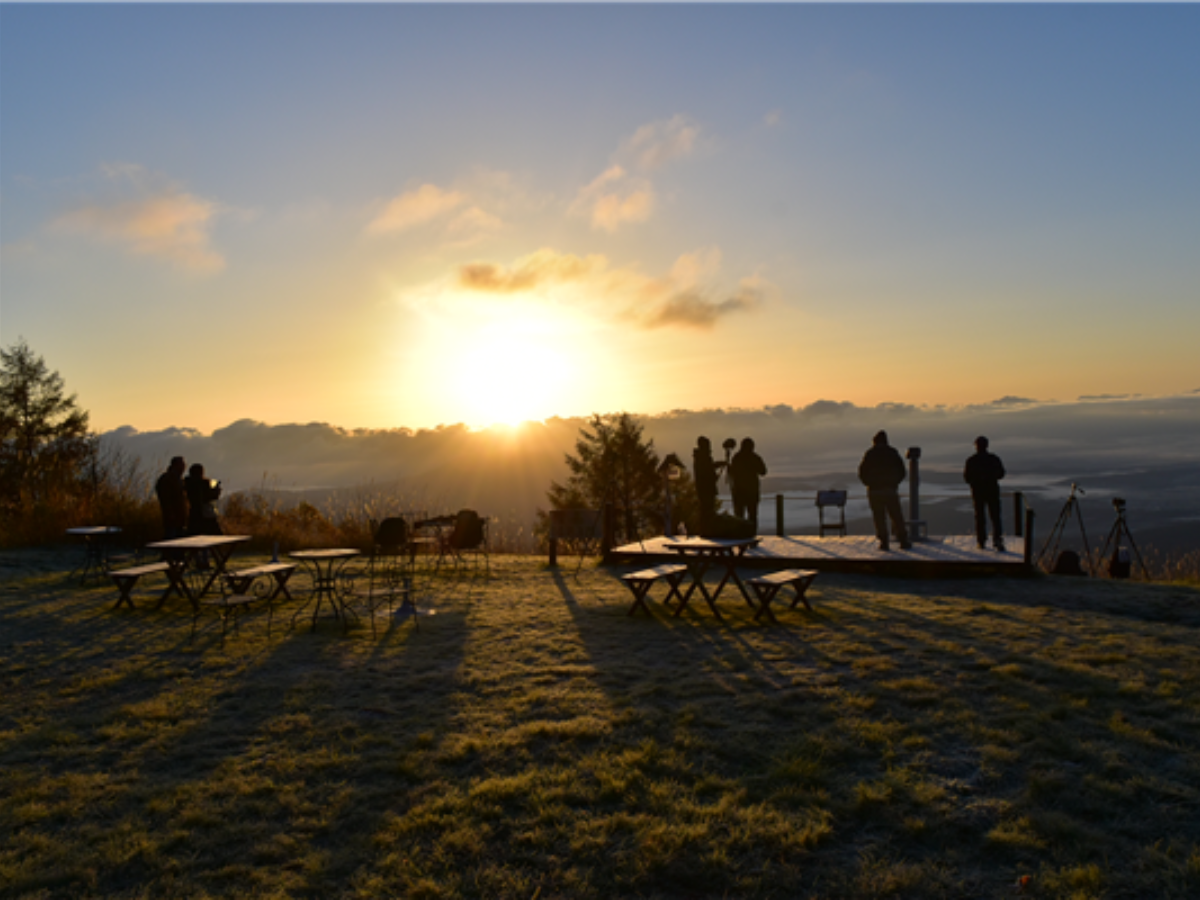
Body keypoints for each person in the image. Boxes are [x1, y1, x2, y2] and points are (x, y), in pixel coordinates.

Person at [857, 430, 911, 551]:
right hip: (890, 490)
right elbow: (902, 471)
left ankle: (884, 542)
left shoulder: (870, 454)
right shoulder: (892, 453)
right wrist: (894, 483)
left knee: (879, 517)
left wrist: (870, 484)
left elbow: (862, 471)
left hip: (875, 491)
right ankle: (903, 540)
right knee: (896, 515)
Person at [964, 435, 1006, 551]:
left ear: (976, 446)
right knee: (995, 517)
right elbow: (1001, 474)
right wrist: (990, 478)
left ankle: (981, 541)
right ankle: (997, 540)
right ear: (987, 445)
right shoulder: (994, 459)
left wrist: (977, 481)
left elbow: (967, 478)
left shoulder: (971, 461)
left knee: (980, 517)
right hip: (992, 491)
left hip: (978, 493)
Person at [728, 437, 767, 533]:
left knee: (739, 515)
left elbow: (731, 473)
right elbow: (763, 471)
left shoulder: (736, 457)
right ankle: (751, 534)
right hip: (752, 491)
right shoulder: (755, 457)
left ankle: (739, 534)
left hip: (739, 491)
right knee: (752, 515)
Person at [692, 436, 726, 535]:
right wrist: (719, 465)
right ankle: (707, 531)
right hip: (706, 489)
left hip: (704, 489)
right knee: (707, 511)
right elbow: (708, 470)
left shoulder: (700, 457)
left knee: (705, 511)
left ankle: (705, 530)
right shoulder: (704, 457)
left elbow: (709, 468)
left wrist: (718, 465)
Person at [183, 463, 223, 537]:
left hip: (194, 514)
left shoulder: (187, 483)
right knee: (216, 536)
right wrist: (216, 490)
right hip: (205, 515)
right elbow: (210, 496)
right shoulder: (203, 483)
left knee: (194, 536)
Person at [154, 456, 188, 539]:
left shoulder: (179, 479)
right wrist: (170, 512)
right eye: (181, 464)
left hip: (180, 516)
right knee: (171, 538)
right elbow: (165, 498)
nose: (184, 467)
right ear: (175, 465)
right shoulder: (167, 479)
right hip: (172, 516)